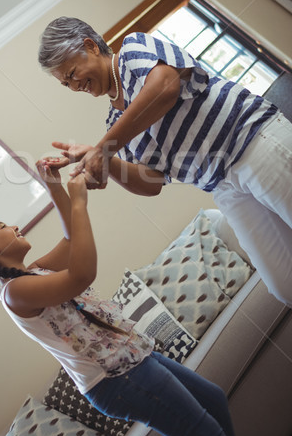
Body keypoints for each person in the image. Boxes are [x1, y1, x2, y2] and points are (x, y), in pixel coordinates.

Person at [0, 160, 243, 436]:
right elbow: (81, 275)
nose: (14, 226)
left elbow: (70, 239)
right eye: (3, 227)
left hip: (130, 357)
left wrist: (54, 186)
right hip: (118, 378)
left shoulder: (33, 274)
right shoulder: (14, 293)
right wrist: (79, 201)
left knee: (213, 401)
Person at [38, 16, 292, 307]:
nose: (73, 85)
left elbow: (165, 86)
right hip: (222, 185)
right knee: (284, 284)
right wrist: (104, 162)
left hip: (252, 141)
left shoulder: (133, 49)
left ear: (90, 46)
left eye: (71, 73)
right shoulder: (114, 123)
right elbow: (152, 181)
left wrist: (103, 150)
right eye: (65, 83)